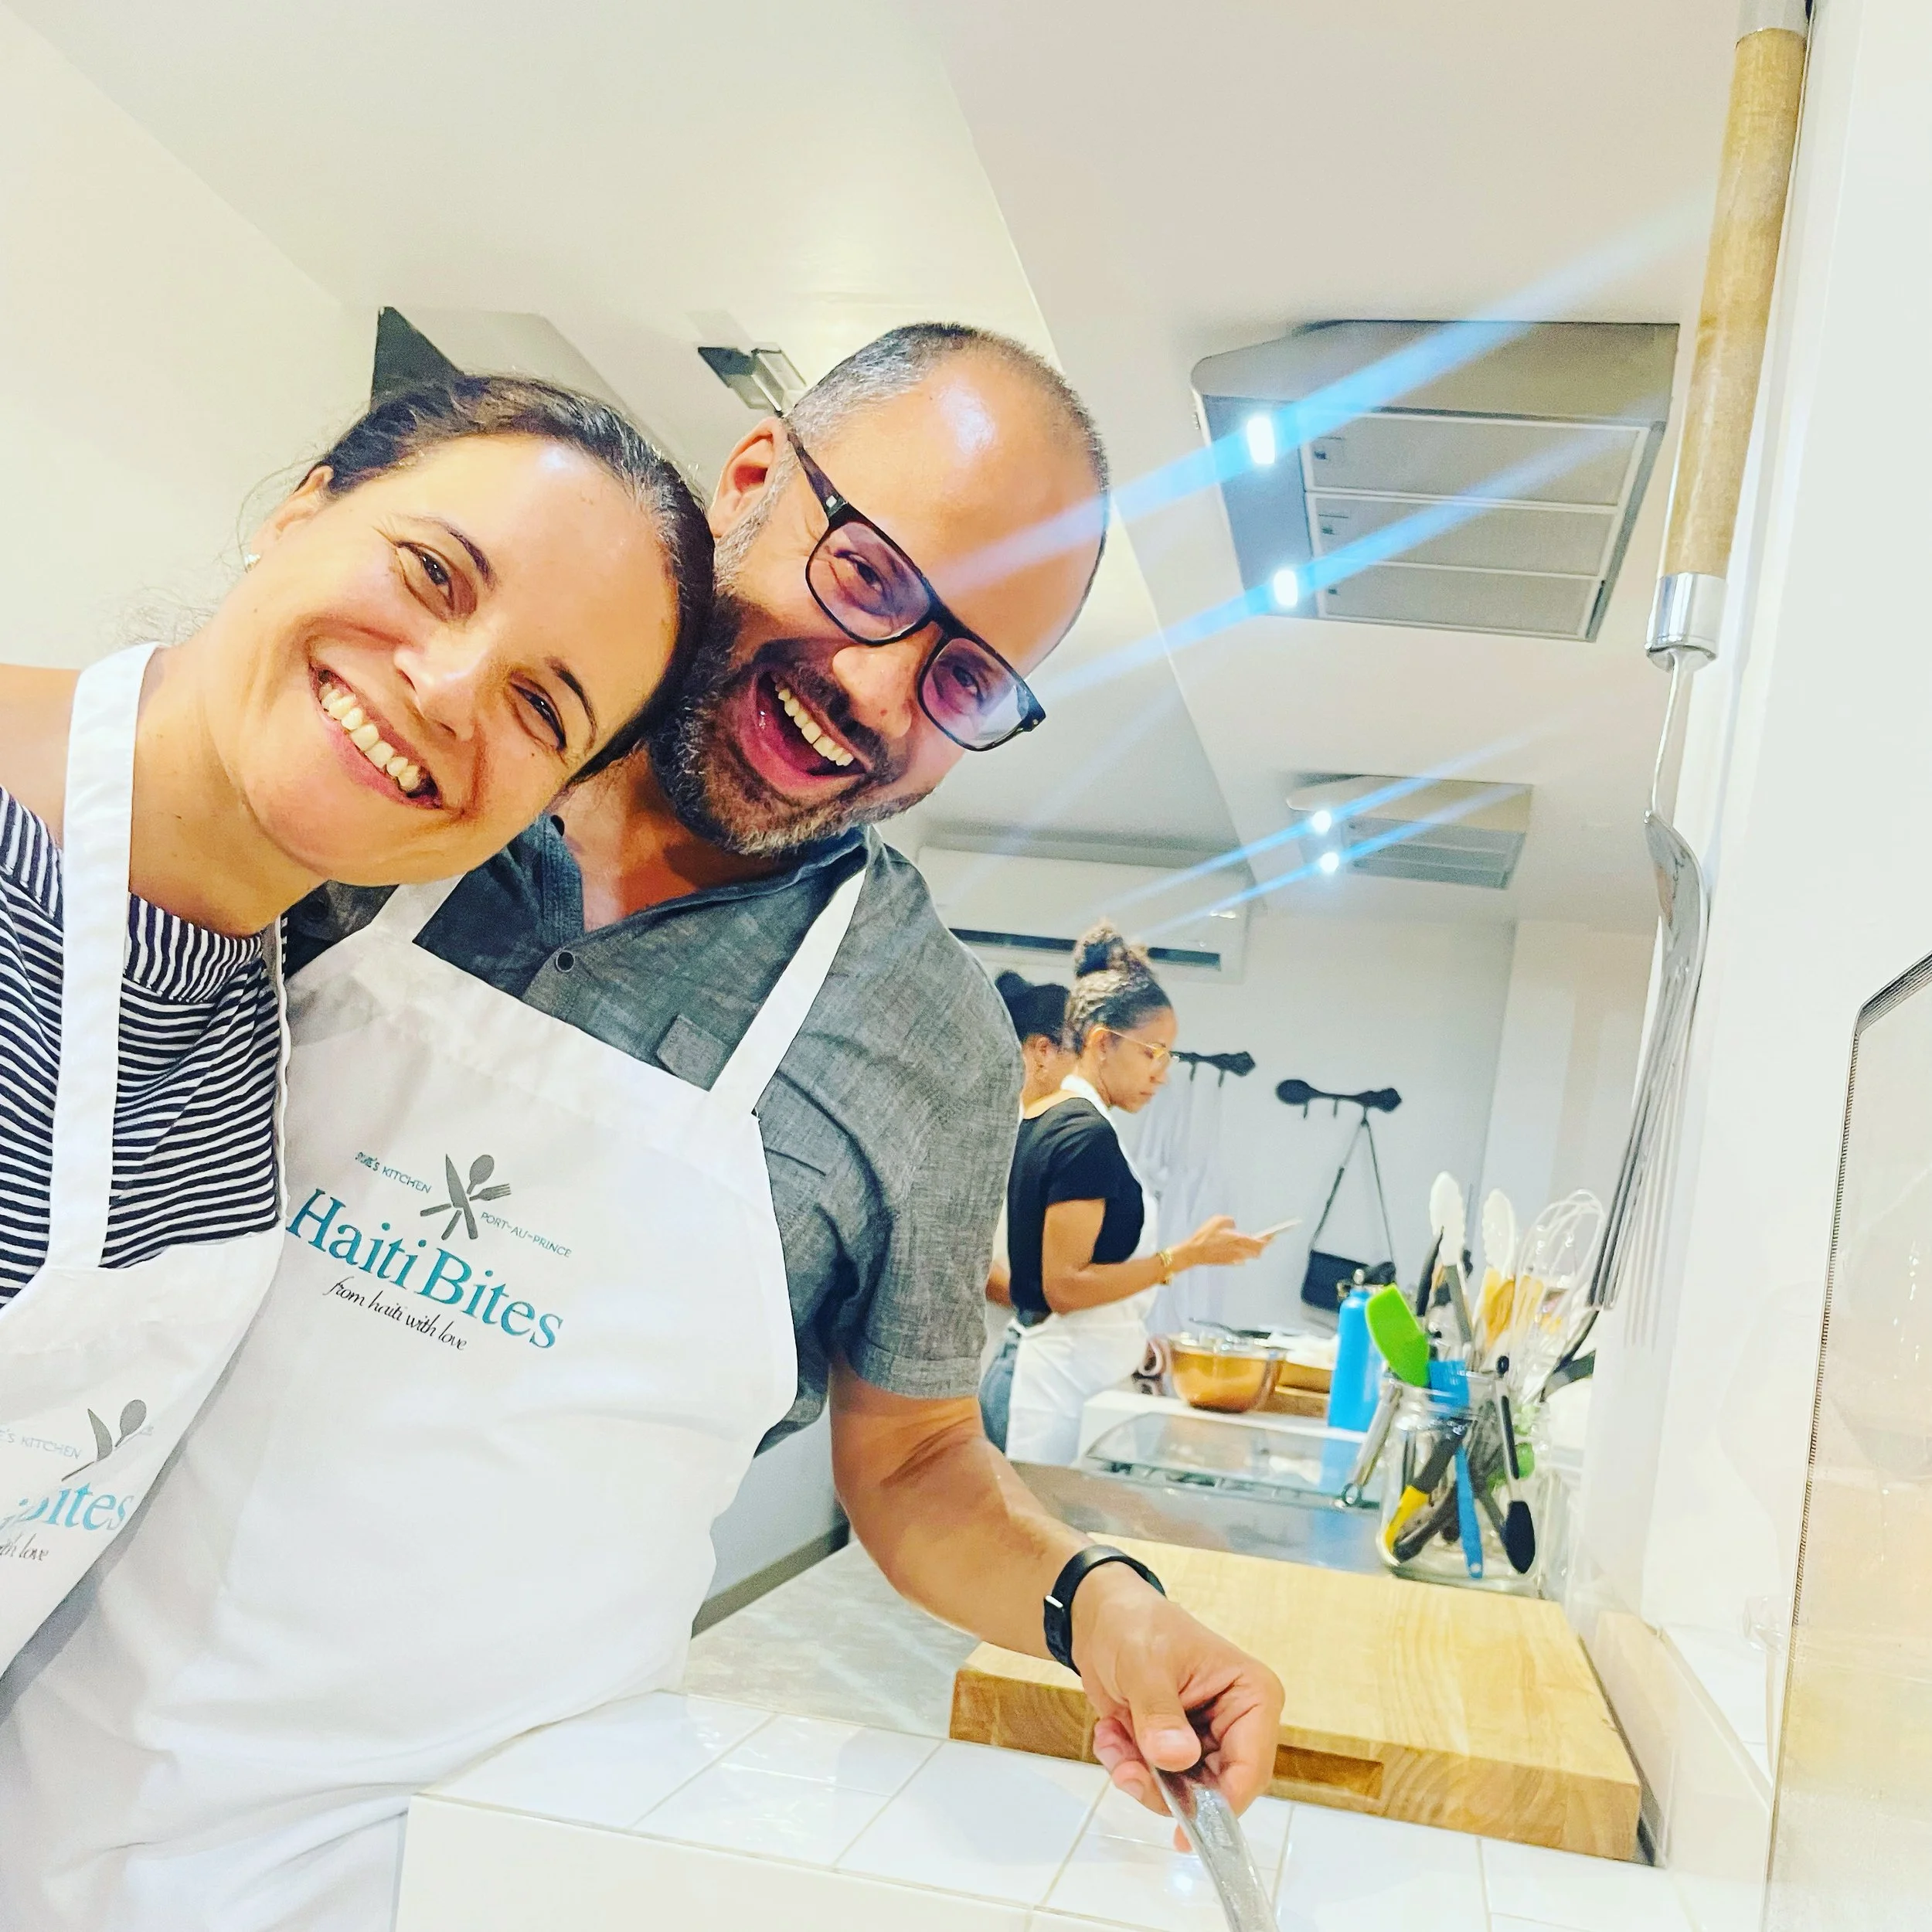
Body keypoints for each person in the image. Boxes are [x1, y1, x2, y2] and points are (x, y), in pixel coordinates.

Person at [0, 325, 1284, 1931]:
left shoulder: (926, 1042)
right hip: (39, 1757)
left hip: (463, 1872)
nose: (871, 689)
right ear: (754, 475)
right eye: (869, 576)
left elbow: (912, 1456)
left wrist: (1098, 1600)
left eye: (962, 679)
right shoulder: (383, 780)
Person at [0, 375, 710, 1668]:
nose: (449, 687)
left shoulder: (258, 995)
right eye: (435, 574)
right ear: (301, 509)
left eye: (542, 709)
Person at [987, 927, 1270, 1464]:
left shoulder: (1071, 1121)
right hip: (1044, 1392)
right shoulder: (1082, 1133)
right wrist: (1183, 1258)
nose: (1161, 1075)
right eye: (1151, 1053)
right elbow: (1064, 1286)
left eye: (1168, 1057)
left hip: (1061, 1379)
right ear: (1101, 1042)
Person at [984, 969, 1074, 1311]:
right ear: (1044, 1052)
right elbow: (964, 1257)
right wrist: (1052, 1307)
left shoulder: (1046, 1133)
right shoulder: (993, 1134)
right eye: (1079, 1054)